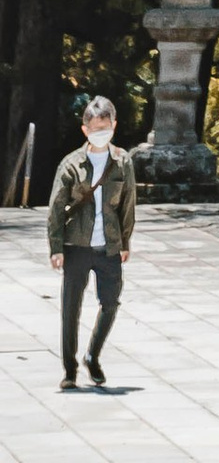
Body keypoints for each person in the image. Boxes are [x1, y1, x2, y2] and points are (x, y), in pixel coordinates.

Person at [47, 96, 136, 393]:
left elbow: (128, 204)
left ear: (114, 126)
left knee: (110, 303)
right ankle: (69, 370)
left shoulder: (123, 161)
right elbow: (56, 207)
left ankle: (92, 356)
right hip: (77, 245)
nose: (101, 133)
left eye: (105, 127)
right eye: (95, 128)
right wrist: (56, 247)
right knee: (70, 308)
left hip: (109, 246)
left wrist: (125, 241)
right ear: (85, 129)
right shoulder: (71, 164)